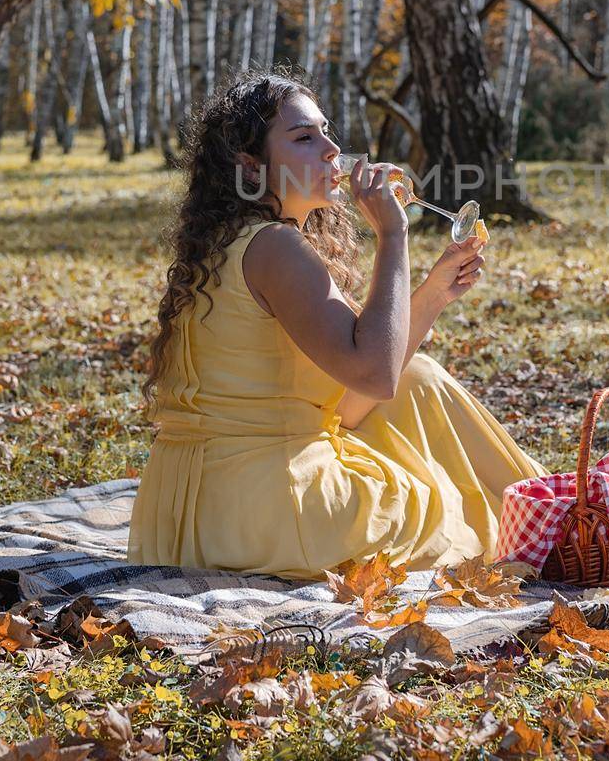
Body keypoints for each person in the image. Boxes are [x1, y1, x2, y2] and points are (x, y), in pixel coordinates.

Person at [127, 69, 547, 579]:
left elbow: (349, 400)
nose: (331, 150)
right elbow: (374, 375)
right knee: (448, 512)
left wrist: (435, 292)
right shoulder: (277, 248)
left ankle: (548, 506)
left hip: (187, 518)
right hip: (269, 513)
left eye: (328, 133)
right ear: (251, 166)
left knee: (421, 378)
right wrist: (393, 234)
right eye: (305, 137)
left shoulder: (236, 242)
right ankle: (553, 518)